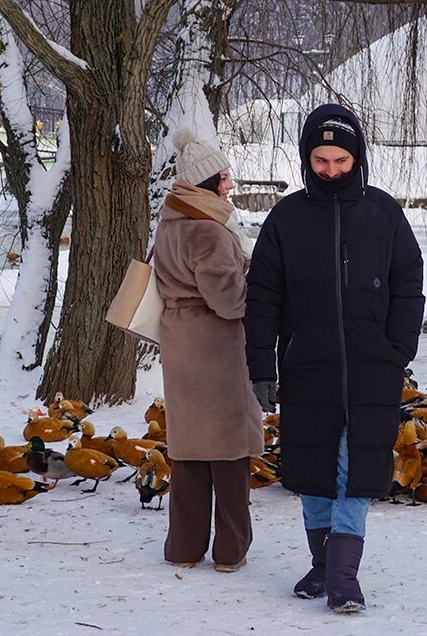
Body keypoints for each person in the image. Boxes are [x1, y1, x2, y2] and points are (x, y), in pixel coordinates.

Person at [245, 103, 425, 614]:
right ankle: (322, 565)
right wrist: (263, 369)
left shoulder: (384, 214)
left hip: (373, 370)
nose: (330, 171)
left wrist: (397, 350)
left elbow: (408, 284)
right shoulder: (287, 218)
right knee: (314, 468)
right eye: (321, 161)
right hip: (308, 368)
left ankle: (344, 575)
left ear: (357, 158)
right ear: (307, 160)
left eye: (340, 161)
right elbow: (263, 299)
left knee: (355, 469)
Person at [151, 127, 264, 574]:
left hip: (180, 342)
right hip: (215, 347)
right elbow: (230, 301)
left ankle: (183, 547)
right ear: (207, 184)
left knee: (189, 450)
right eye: (223, 176)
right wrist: (255, 277)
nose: (230, 184)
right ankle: (230, 551)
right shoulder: (208, 232)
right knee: (228, 449)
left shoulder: (170, 223)